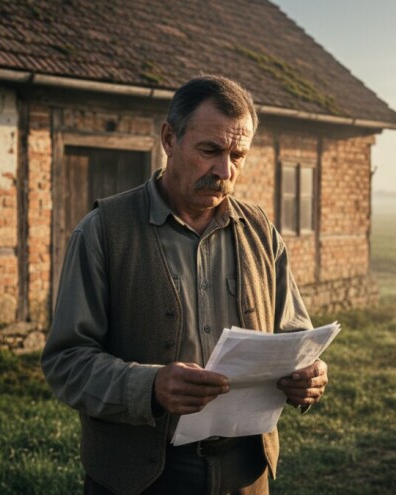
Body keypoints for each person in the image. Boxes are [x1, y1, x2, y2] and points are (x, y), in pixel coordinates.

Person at [41, 75, 329, 495]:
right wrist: (150, 386)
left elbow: (295, 335)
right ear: (169, 139)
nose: (225, 170)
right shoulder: (103, 231)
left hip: (246, 472)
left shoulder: (260, 231)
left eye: (238, 155)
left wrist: (311, 373)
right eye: (210, 150)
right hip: (140, 477)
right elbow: (66, 361)